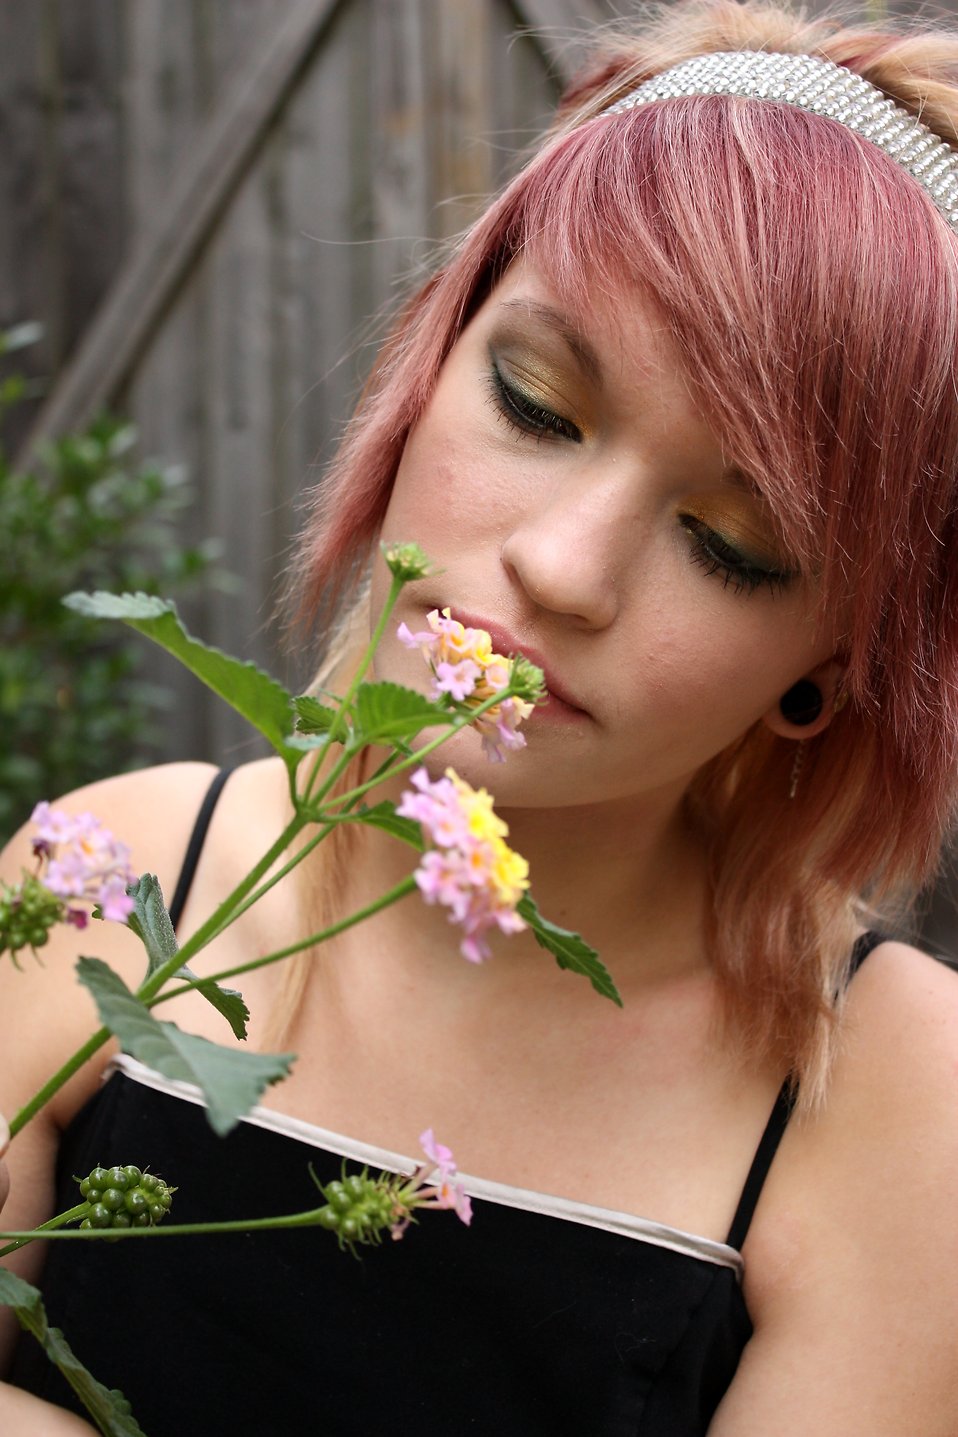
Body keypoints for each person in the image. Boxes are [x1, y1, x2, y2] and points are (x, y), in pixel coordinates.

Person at [4, 1, 958, 1431]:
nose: (562, 569)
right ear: (430, 359)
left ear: (837, 656)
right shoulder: (112, 873)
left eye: (728, 544)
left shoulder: (897, 1099)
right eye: (536, 402)